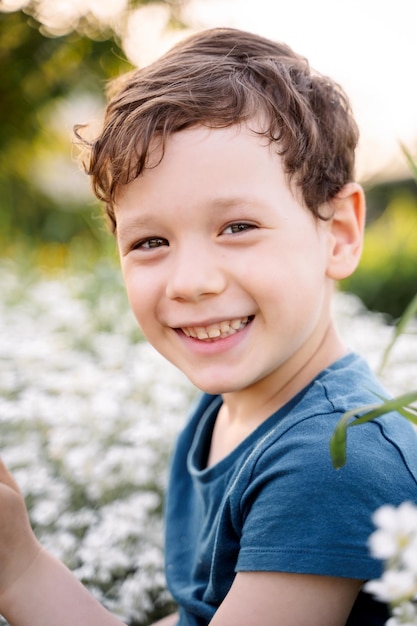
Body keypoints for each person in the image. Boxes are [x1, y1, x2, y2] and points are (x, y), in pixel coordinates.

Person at [0, 27, 416, 626]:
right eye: (150, 241)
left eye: (238, 227)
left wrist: (19, 571)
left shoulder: (331, 460)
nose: (191, 281)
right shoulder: (236, 408)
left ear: (341, 233)